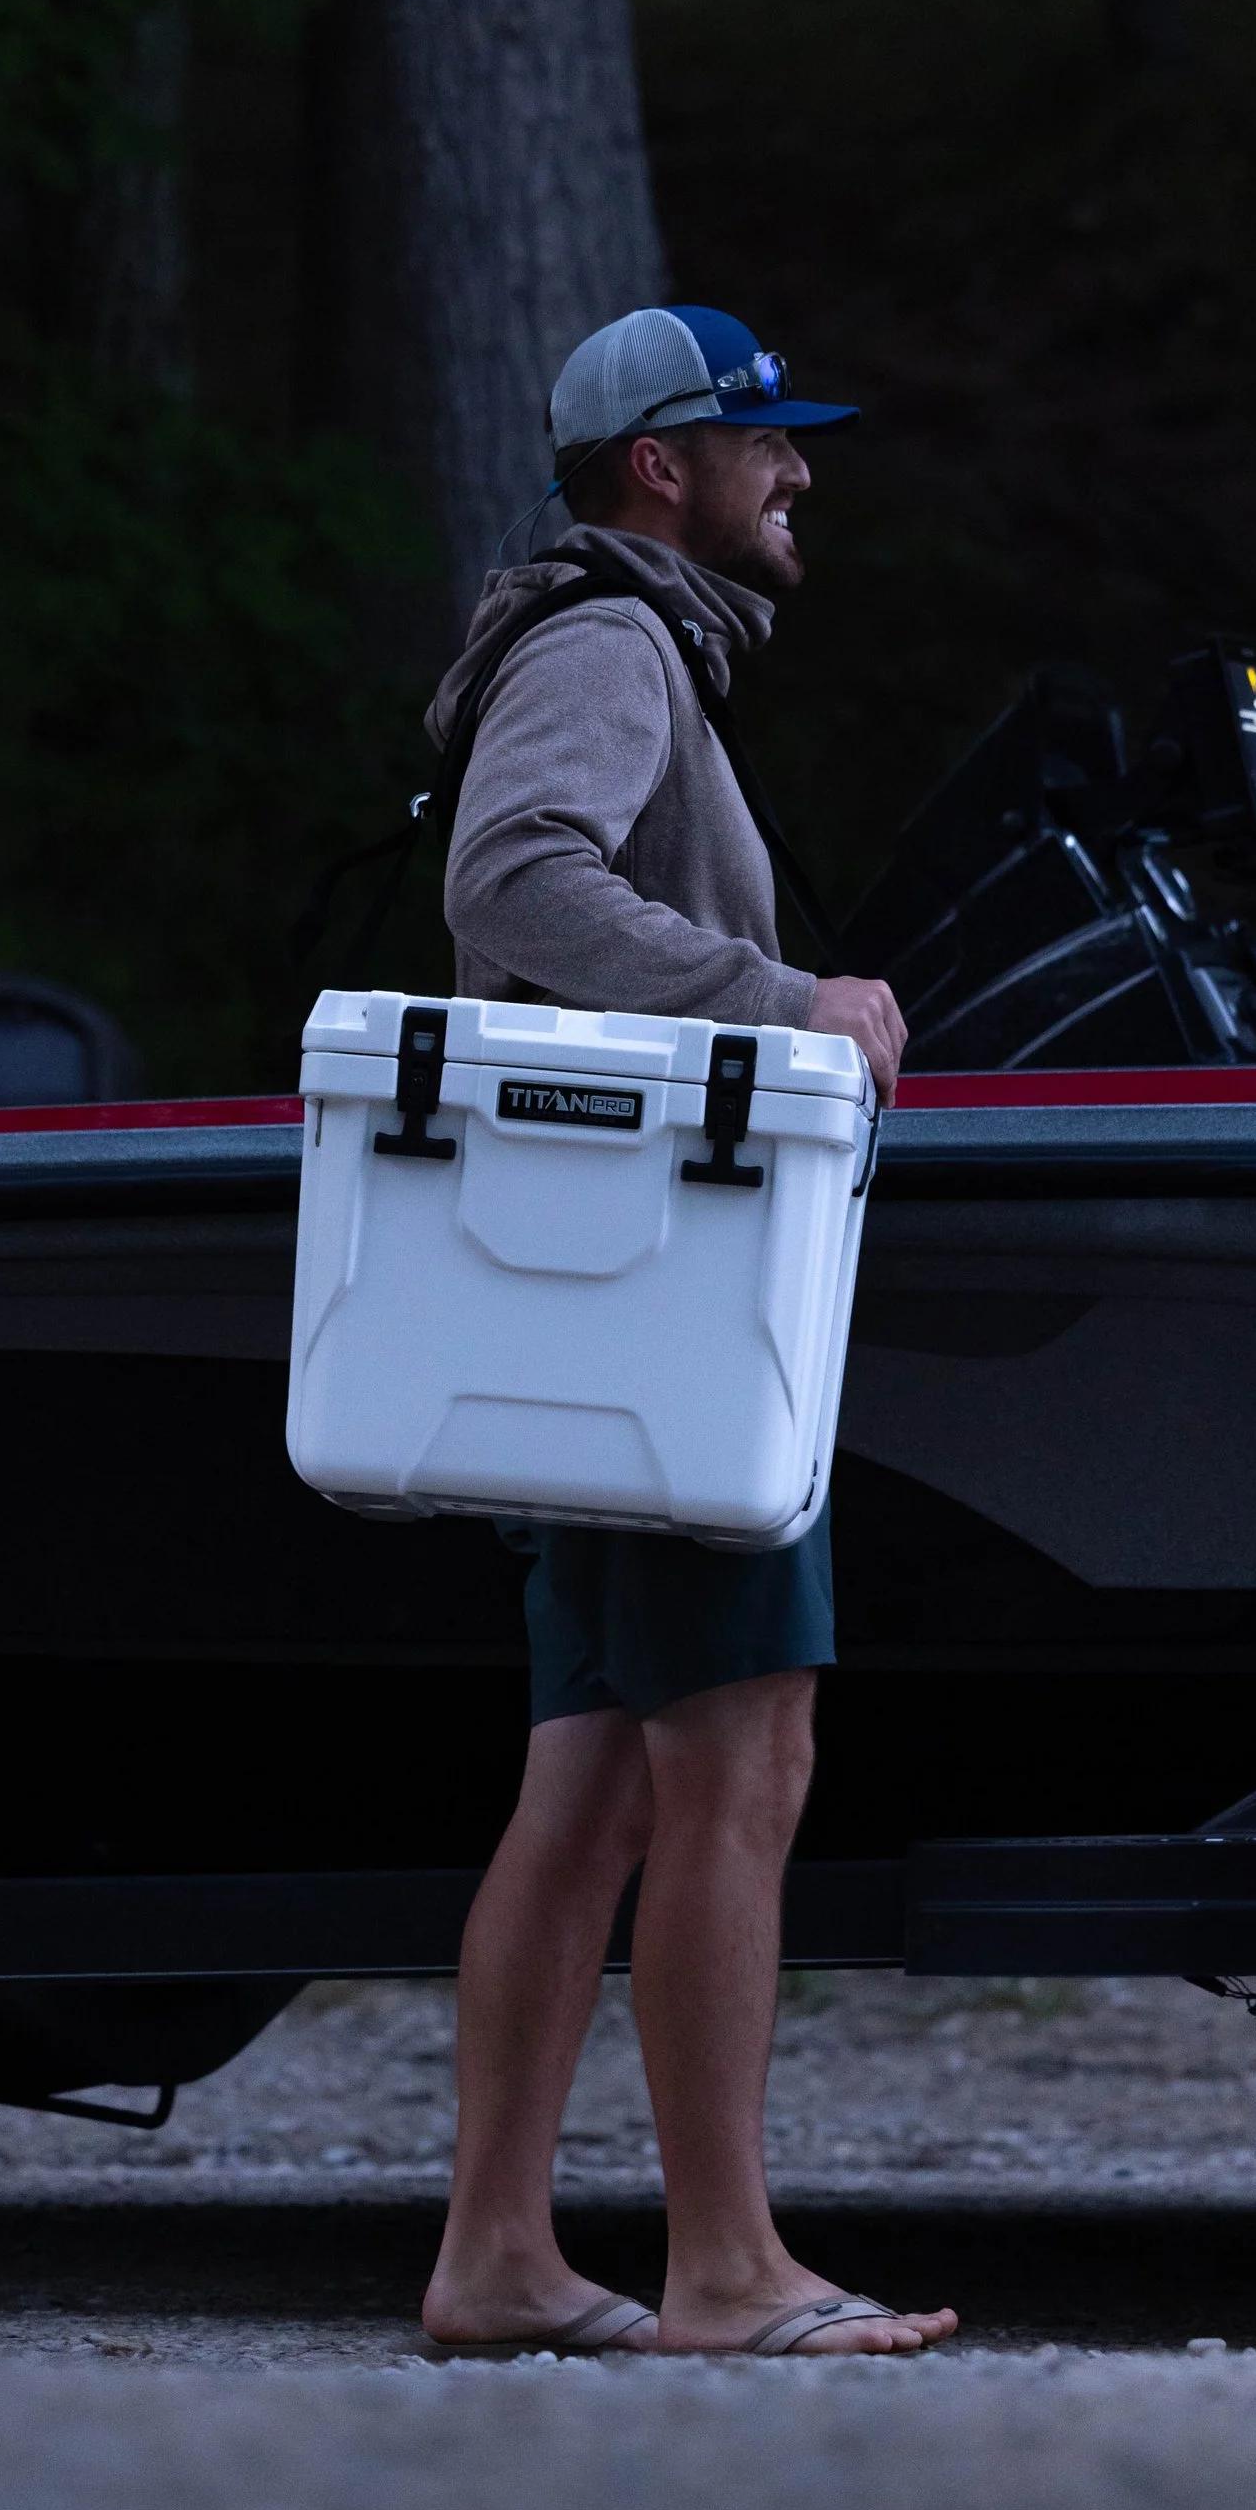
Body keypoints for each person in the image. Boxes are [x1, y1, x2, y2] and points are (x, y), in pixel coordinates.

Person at [416, 303, 958, 2360]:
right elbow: (515, 877)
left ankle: (493, 2251)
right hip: (653, 1290)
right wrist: (778, 993)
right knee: (744, 1755)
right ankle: (725, 2269)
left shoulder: (603, 638)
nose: (797, 470)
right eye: (765, 444)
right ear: (663, 468)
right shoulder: (609, 644)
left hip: (590, 1287)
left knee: (594, 1783)